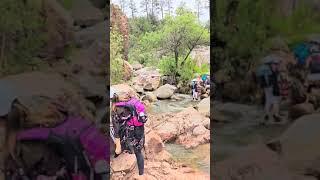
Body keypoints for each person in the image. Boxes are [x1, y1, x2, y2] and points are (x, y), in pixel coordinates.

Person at [111, 92, 146, 177]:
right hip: (140, 130)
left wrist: (117, 141)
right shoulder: (135, 103)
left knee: (121, 141)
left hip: (130, 131)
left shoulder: (116, 108)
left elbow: (116, 128)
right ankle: (141, 174)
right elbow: (143, 117)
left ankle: (117, 156)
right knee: (138, 152)